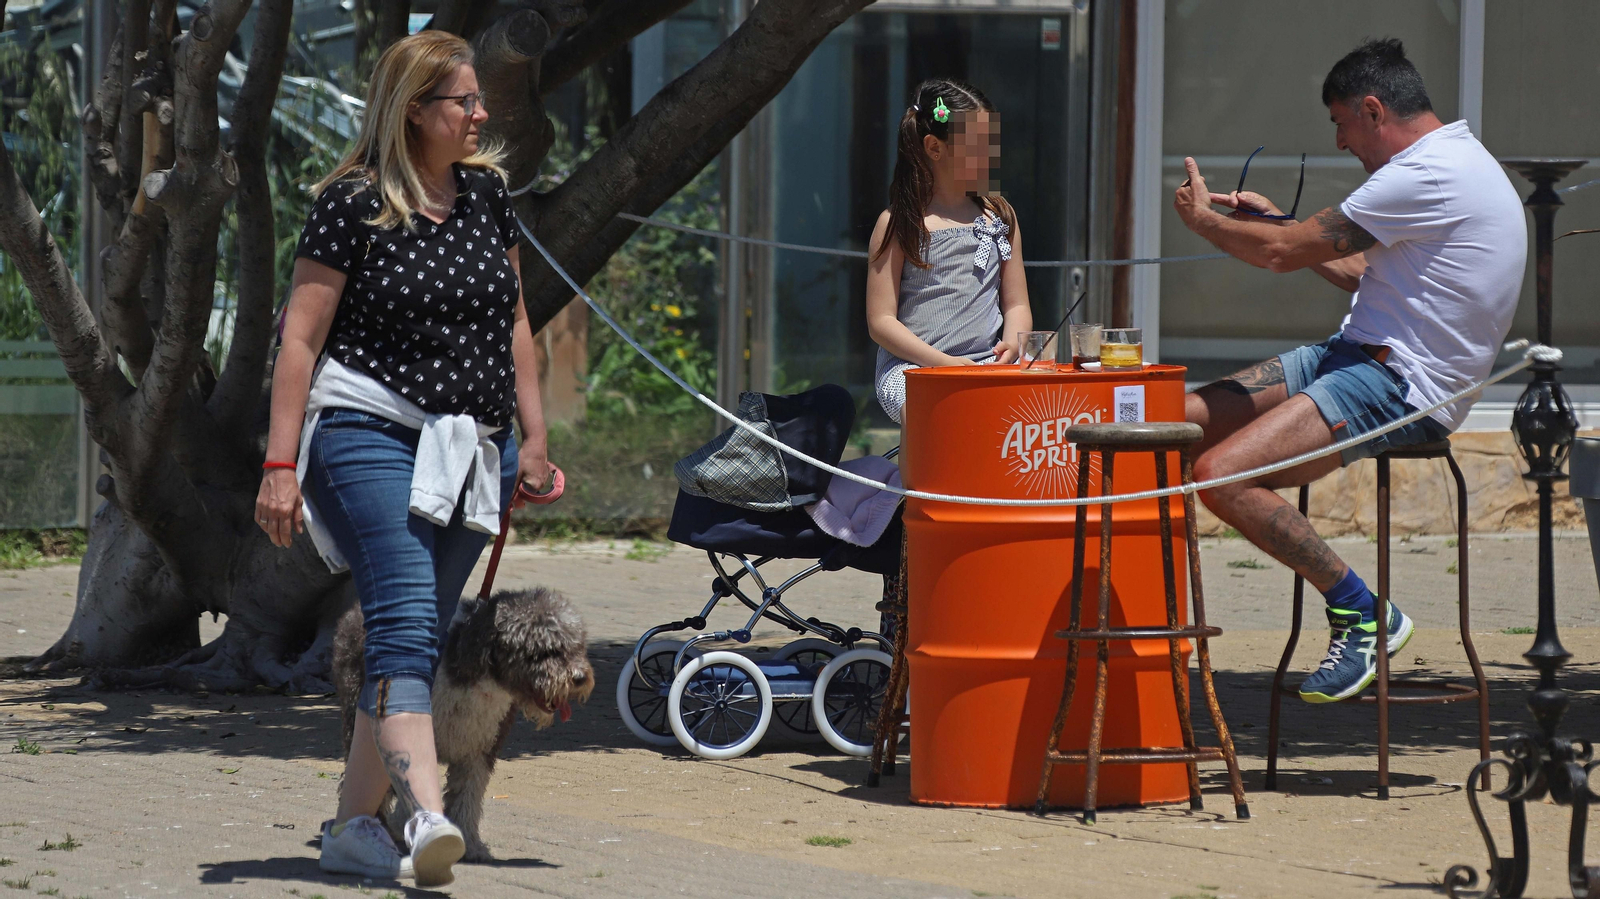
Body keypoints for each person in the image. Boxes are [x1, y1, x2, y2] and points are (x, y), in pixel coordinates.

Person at [253, 31, 553, 886]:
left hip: (473, 449)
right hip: (368, 431)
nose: (481, 113)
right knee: (409, 616)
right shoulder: (352, 204)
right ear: (414, 110)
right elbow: (299, 339)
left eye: (478, 100)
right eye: (465, 101)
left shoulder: (487, 194)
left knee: (408, 637)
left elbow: (515, 321)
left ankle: (354, 827)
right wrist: (280, 465)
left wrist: (533, 437)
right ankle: (423, 812)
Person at [1171, 38, 1526, 703]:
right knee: (1171, 424)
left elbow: (1280, 255)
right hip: (1354, 355)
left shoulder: (1427, 172)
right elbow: (1357, 269)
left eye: (1340, 124)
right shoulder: (1449, 160)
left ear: (1372, 109)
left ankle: (1362, 611)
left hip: (1401, 384)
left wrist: (1205, 223)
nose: (1339, 143)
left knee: (1219, 473)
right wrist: (1275, 221)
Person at [867, 79, 1032, 425]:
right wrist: (946, 364)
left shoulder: (1000, 216)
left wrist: (1012, 344)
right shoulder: (899, 223)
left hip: (986, 363)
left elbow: (1017, 304)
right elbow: (880, 322)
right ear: (934, 147)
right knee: (936, 413)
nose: (990, 154)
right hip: (912, 368)